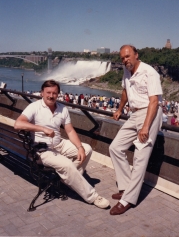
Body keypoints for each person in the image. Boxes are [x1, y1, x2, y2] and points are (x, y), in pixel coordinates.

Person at [14, 80, 109, 209]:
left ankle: (69, 180)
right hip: (42, 150)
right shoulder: (34, 107)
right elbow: (18, 124)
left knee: (87, 149)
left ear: (58, 94)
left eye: (54, 93)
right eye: (48, 92)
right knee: (67, 164)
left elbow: (69, 130)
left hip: (59, 144)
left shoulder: (62, 108)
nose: (51, 96)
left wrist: (79, 147)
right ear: (42, 93)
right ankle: (92, 196)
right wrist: (42, 129)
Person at [109, 45, 163, 215]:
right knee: (115, 148)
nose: (125, 60)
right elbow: (125, 91)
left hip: (149, 113)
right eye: (122, 58)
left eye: (127, 56)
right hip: (134, 114)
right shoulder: (127, 71)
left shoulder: (150, 72)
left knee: (140, 157)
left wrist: (146, 126)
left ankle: (128, 200)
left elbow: (154, 101)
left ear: (136, 55)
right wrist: (119, 109)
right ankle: (125, 187)